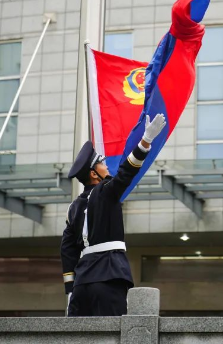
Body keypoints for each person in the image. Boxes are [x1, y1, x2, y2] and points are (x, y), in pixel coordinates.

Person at [62, 113, 166, 316]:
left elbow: (67, 251)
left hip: (81, 283)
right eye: (101, 163)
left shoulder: (73, 208)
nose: (106, 165)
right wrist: (146, 141)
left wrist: (70, 290)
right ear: (94, 174)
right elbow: (127, 172)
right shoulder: (105, 191)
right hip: (109, 274)